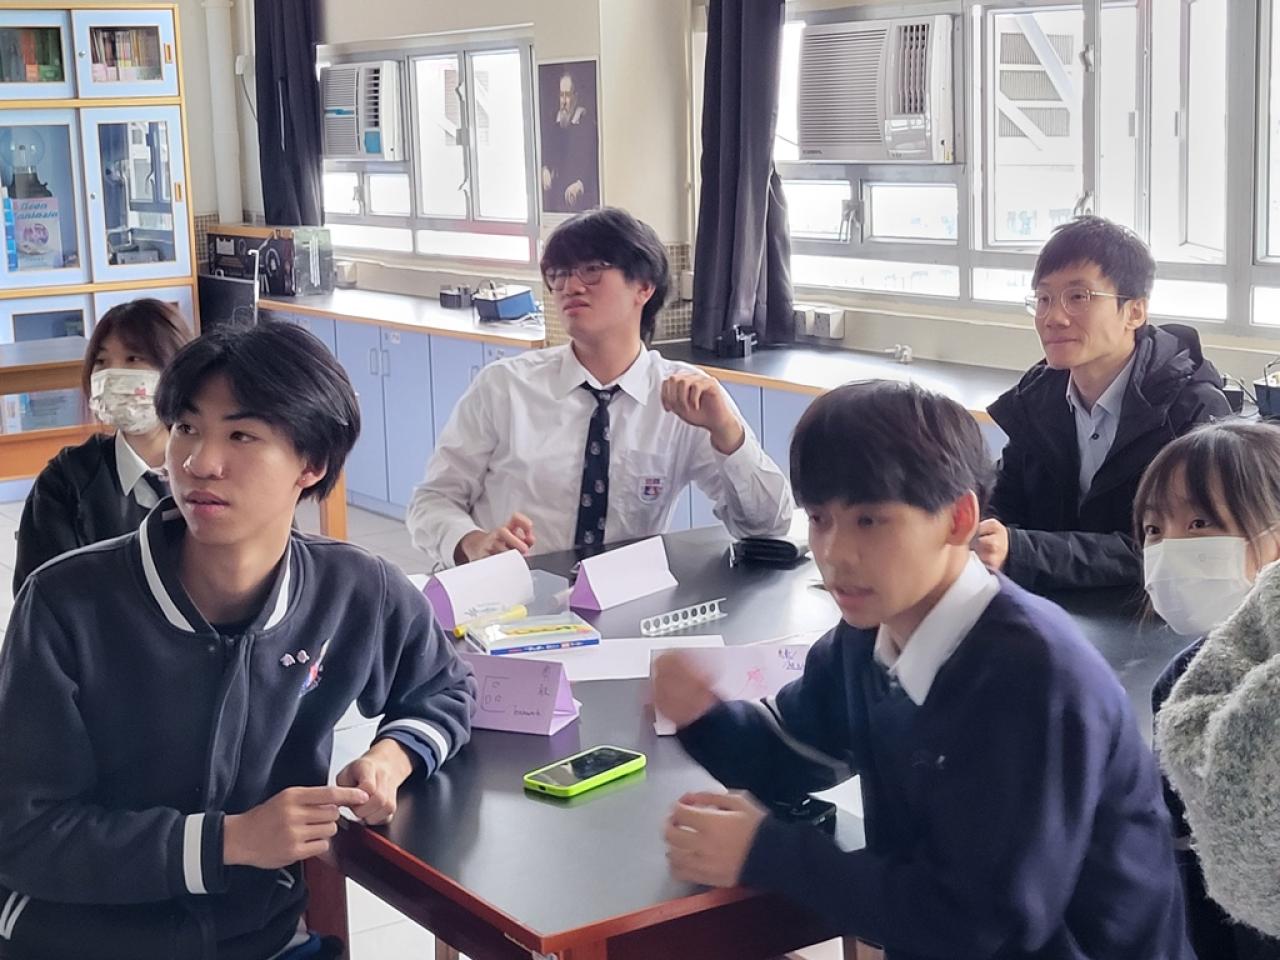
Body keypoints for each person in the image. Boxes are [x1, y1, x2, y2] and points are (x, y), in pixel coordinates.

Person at [653, 379, 1191, 960]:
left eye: (870, 521)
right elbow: (796, 757)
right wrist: (705, 717)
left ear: (959, 519)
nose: (834, 553)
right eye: (819, 518)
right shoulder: (868, 636)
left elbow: (982, 923)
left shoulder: (1032, 679)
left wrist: (768, 853)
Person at [0, 322, 475, 960]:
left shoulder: (353, 588)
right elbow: (23, 833)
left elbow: (446, 688)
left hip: (261, 939)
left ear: (312, 464)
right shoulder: (67, 603)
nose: (199, 462)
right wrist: (228, 842)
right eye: (187, 428)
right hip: (78, 941)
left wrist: (392, 758)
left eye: (241, 435)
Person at [407, 207, 793, 570]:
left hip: (620, 601)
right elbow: (432, 501)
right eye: (559, 274)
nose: (570, 286)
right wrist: (472, 542)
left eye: (592, 270)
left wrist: (727, 433)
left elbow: (768, 526)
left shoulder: (683, 398)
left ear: (644, 287)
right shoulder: (505, 387)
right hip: (506, 597)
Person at [978, 216, 1230, 592]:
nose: (1053, 317)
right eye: (1044, 299)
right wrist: (981, 533)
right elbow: (1005, 500)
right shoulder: (1036, 397)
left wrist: (1021, 550)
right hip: (1052, 604)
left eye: (1078, 297)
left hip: (1146, 614)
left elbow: (1174, 551)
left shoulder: (1193, 410)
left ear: (1135, 311)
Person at [1140, 421, 1280, 958]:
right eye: (1154, 529)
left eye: (1200, 523)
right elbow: (1182, 850)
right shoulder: (1183, 682)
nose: (1168, 549)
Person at [12, 298, 191, 594]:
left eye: (133, 358)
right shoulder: (66, 483)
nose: (112, 375)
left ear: (176, 368)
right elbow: (39, 597)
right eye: (102, 362)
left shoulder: (211, 470)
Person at [540, 69, 599, 213]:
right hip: (556, 200)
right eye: (561, 95)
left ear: (575, 97)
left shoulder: (585, 124)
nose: (564, 101)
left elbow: (591, 164)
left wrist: (580, 184)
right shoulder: (553, 122)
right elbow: (547, 153)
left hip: (579, 202)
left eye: (567, 95)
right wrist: (545, 169)